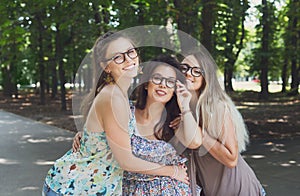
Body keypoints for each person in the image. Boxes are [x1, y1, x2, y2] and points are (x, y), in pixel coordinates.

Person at [43, 32, 188, 196]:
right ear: (106, 66)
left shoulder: (120, 95)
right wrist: (173, 171)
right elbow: (126, 161)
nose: (128, 60)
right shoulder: (113, 98)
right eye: (118, 57)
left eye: (130, 52)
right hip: (72, 188)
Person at [171, 50, 266, 196]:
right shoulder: (181, 107)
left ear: (206, 76)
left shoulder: (217, 107)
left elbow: (231, 159)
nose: (188, 73)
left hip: (238, 189)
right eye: (184, 68)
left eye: (197, 71)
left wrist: (199, 133)